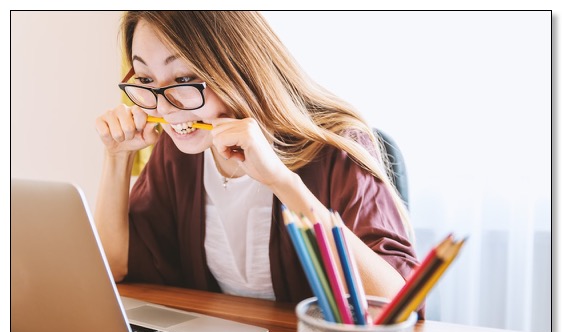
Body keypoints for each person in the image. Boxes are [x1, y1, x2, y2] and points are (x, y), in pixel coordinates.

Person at [95, 11, 420, 311]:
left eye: (183, 79)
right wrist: (117, 157)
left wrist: (281, 181)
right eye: (146, 80)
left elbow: (396, 305)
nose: (163, 109)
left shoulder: (337, 148)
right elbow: (113, 266)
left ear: (238, 68)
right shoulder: (179, 152)